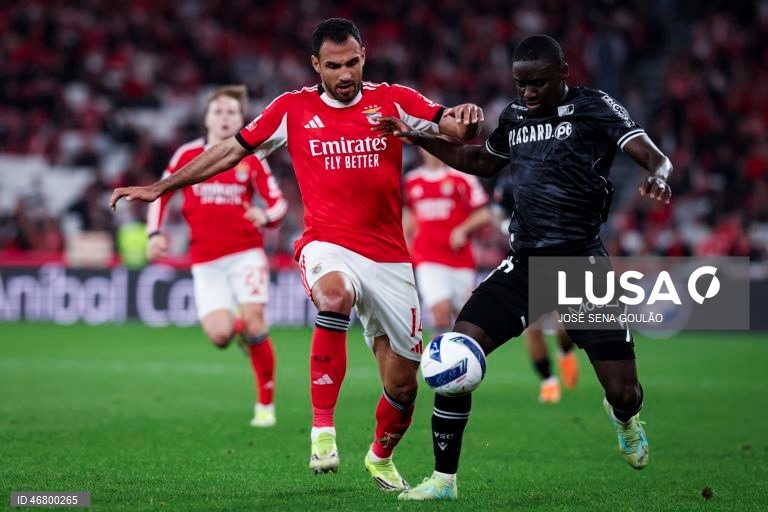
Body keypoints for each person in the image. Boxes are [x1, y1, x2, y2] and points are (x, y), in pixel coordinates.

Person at [110, 18, 483, 492]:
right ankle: (322, 429)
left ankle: (379, 456)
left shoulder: (393, 99)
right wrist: (160, 187)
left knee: (404, 385)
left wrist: (465, 118)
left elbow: (450, 125)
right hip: (326, 244)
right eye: (334, 66)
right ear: (316, 65)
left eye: (352, 63)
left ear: (364, 56)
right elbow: (230, 151)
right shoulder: (293, 109)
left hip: (389, 258)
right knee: (333, 297)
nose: (345, 75)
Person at [380, 34, 672, 500]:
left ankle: (625, 420)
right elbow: (478, 160)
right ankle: (443, 480)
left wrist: (658, 173)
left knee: (624, 390)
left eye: (538, 83)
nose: (528, 93)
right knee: (456, 351)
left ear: (563, 74)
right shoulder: (514, 118)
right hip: (526, 264)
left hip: (581, 267)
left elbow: (649, 152)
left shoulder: (594, 106)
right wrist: (416, 135)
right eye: (521, 84)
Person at [146, 85, 287, 428]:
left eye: (231, 113)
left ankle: (265, 405)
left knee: (256, 319)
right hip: (206, 260)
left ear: (241, 120)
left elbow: (278, 203)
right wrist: (154, 234)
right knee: (220, 336)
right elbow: (161, 194)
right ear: (206, 118)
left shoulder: (250, 158)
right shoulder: (186, 155)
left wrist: (265, 217)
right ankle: (241, 330)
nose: (225, 118)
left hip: (246, 254)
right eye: (218, 111)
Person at [494, 173, 579, 403]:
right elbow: (498, 214)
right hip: (527, 261)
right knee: (533, 328)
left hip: (561, 259)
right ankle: (548, 382)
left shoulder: (559, 174)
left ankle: (565, 352)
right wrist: (505, 225)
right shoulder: (509, 183)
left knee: (566, 326)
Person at [403, 147, 492, 334]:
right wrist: (404, 240)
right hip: (427, 257)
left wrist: (462, 229)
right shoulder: (412, 180)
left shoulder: (463, 178)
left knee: (466, 319)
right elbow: (410, 215)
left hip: (460, 259)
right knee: (440, 311)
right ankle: (439, 360)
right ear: (421, 149)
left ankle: (464, 356)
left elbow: (484, 213)